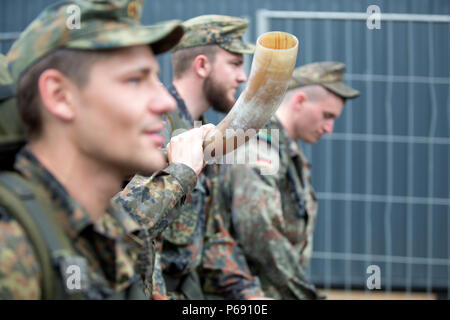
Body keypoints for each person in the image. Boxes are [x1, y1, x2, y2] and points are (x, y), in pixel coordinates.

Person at [0, 0, 211, 299]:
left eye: (155, 77)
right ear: (59, 96)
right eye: (134, 80)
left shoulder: (109, 229)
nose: (165, 103)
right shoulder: (12, 245)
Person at [116, 14, 265, 299]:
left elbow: (211, 235)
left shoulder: (208, 134)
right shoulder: (155, 127)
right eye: (234, 63)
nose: (242, 76)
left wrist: (249, 293)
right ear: (201, 65)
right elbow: (133, 228)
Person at [218, 61, 360, 299]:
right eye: (327, 115)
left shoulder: (285, 148)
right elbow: (257, 227)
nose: (329, 128)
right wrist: (303, 294)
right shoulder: (261, 146)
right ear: (300, 101)